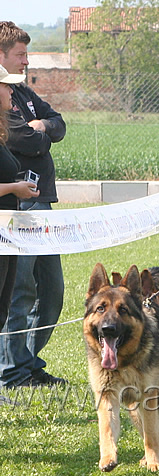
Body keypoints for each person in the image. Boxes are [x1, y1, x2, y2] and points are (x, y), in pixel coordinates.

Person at [0, 22, 67, 389]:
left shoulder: (23, 92)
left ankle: (27, 361)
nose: (27, 61)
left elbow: (58, 126)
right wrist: (39, 132)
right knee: (20, 291)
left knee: (52, 290)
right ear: (1, 56)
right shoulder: (1, 96)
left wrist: (42, 127)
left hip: (43, 203)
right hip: (19, 207)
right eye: (20, 55)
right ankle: (12, 371)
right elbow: (24, 140)